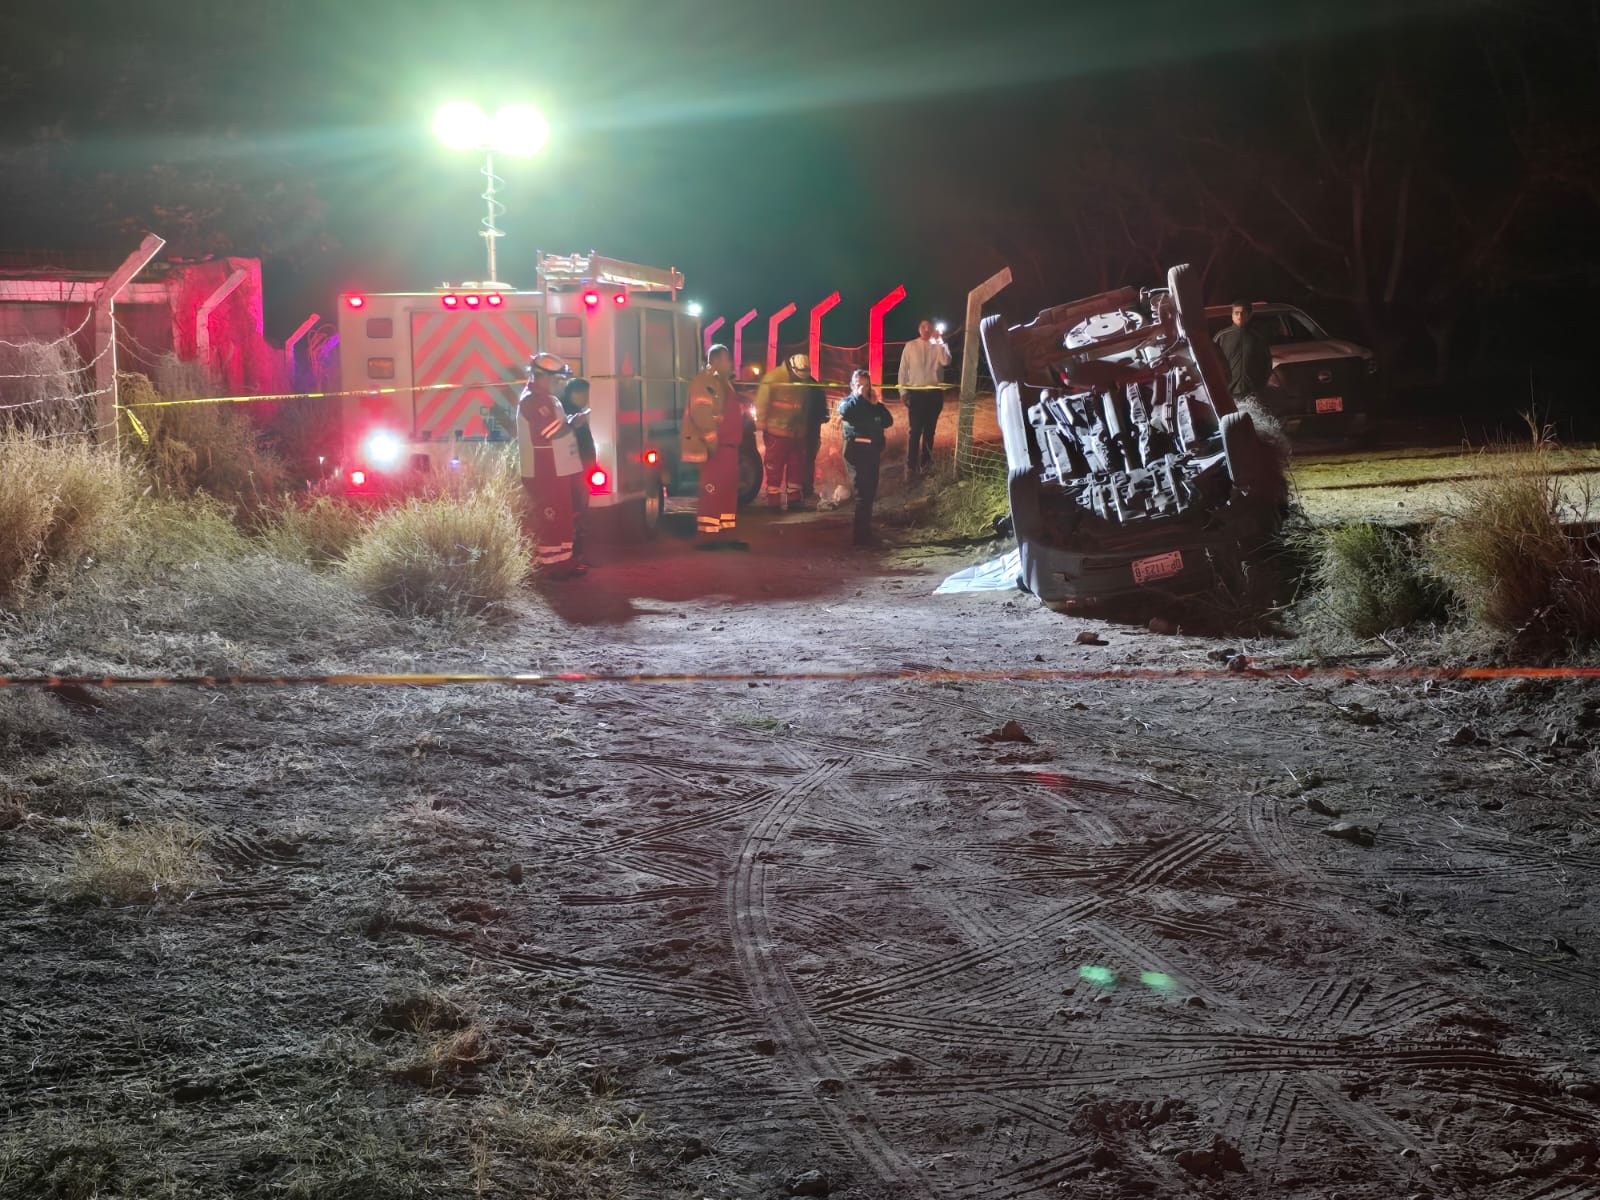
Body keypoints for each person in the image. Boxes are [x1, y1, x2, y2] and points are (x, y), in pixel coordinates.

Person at [518, 352, 582, 578]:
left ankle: (563, 561)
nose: (560, 385)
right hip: (544, 470)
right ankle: (549, 565)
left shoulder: (546, 399)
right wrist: (573, 424)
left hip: (556, 470)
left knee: (562, 516)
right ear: (542, 377)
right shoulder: (533, 401)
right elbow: (548, 432)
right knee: (551, 517)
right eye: (558, 380)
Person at [682, 343, 747, 550]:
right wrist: (711, 440)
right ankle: (708, 537)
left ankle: (726, 535)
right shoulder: (706, 382)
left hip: (728, 448)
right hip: (716, 448)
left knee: (727, 492)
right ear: (716, 360)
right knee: (713, 491)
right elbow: (701, 413)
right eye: (727, 359)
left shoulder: (722, 382)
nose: (731, 363)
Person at [837, 368, 893, 546]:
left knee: (869, 493)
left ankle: (865, 533)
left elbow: (888, 421)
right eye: (859, 385)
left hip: (871, 451)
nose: (863, 389)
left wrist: (875, 404)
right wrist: (858, 397)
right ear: (852, 385)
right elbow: (845, 411)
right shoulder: (848, 403)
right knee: (862, 493)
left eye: (866, 386)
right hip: (855, 451)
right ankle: (861, 538)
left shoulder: (872, 404)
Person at [754, 352, 814, 510]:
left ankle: (794, 501)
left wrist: (803, 427)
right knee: (774, 467)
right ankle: (773, 503)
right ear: (792, 368)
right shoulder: (773, 379)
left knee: (796, 467)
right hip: (776, 432)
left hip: (796, 433)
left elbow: (804, 406)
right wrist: (761, 422)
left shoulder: (803, 380)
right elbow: (762, 402)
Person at [897, 319, 951, 479]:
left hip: (934, 394)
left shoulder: (938, 345)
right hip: (916, 394)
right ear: (919, 329)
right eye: (923, 326)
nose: (926, 329)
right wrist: (903, 392)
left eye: (929, 326)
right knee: (914, 432)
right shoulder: (910, 346)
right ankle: (911, 467)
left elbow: (946, 361)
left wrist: (940, 340)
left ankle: (926, 465)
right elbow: (902, 371)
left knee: (930, 432)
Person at [559, 375, 596, 567]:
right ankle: (576, 557)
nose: (586, 397)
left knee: (581, 515)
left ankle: (579, 556)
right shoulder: (569, 415)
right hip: (576, 472)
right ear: (573, 393)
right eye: (583, 394)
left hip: (581, 470)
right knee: (577, 515)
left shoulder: (576, 412)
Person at [1214, 301, 1273, 402]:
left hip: (1252, 395)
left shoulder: (1258, 338)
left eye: (1243, 313)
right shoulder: (1221, 337)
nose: (1239, 316)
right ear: (1232, 315)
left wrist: (1260, 386)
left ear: (1249, 315)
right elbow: (1212, 364)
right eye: (1236, 313)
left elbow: (1266, 364)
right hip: (1227, 394)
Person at [800, 367, 831, 503]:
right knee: (808, 460)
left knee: (800, 460)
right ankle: (806, 490)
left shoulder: (795, 385)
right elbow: (825, 415)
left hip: (800, 429)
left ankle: (799, 490)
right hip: (812, 429)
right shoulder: (815, 385)